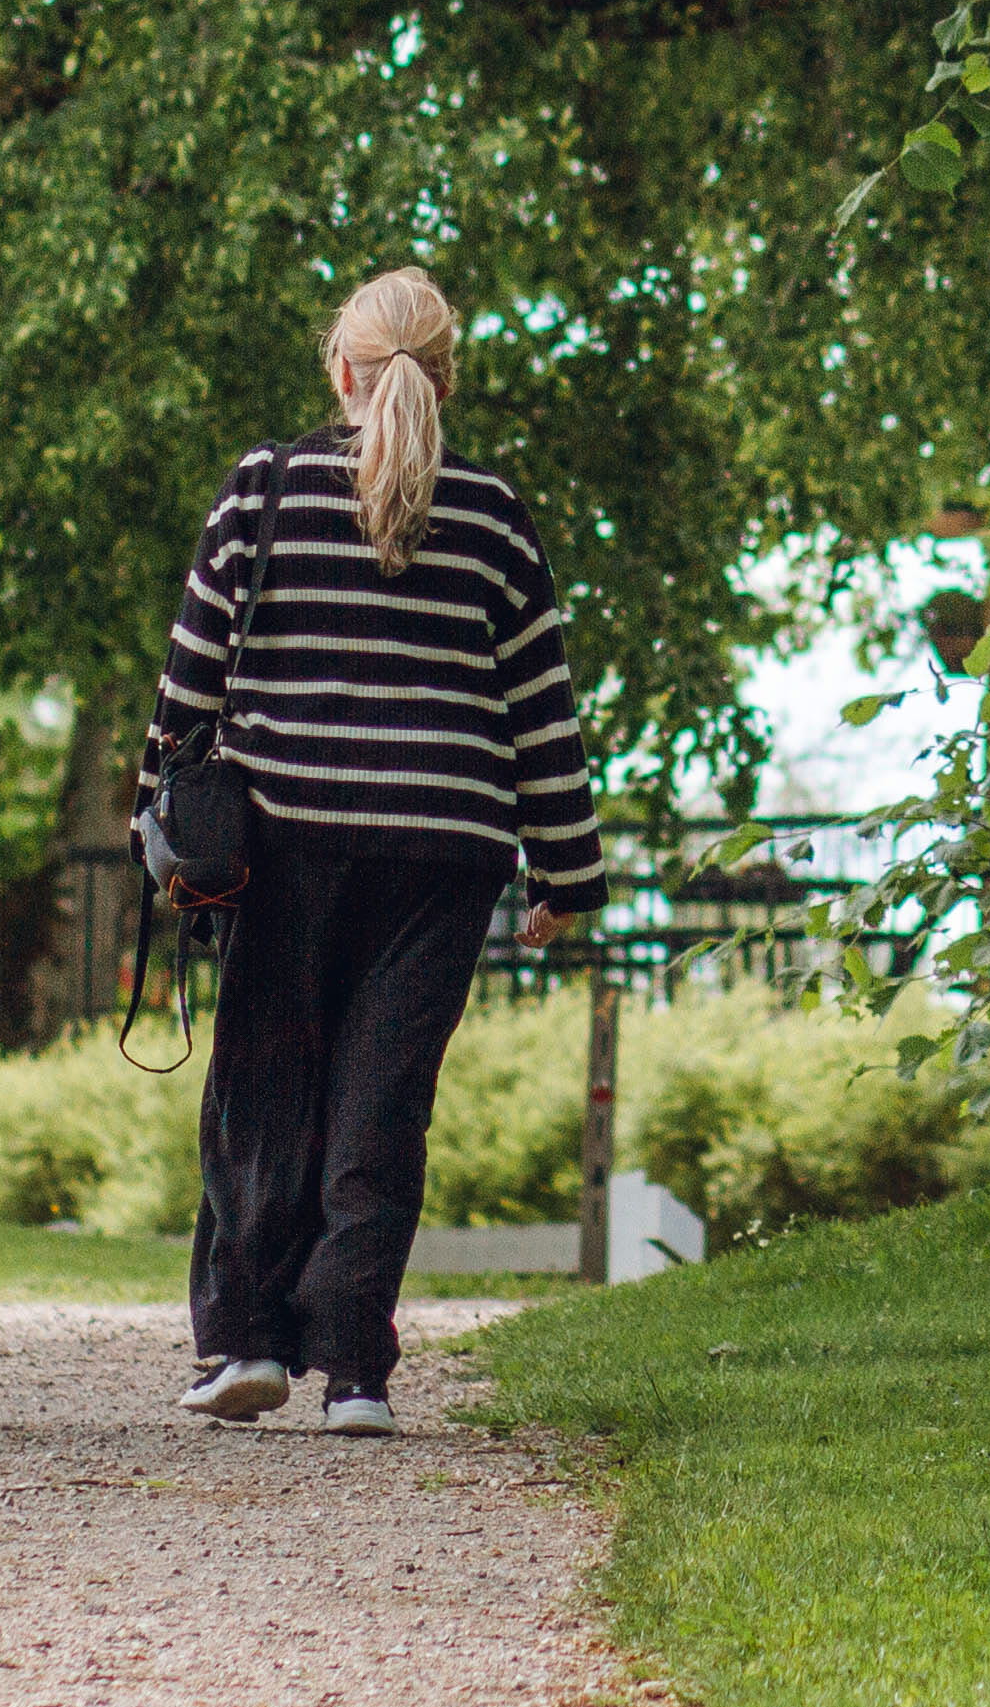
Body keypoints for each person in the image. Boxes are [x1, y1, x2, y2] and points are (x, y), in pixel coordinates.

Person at [158, 264, 606, 1435]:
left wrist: (165, 805)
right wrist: (568, 869)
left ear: (340, 370)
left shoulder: (267, 487)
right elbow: (540, 709)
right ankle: (356, 1367)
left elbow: (194, 668)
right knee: (381, 1100)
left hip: (287, 836)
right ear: (445, 376)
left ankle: (248, 1341)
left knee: (265, 1084)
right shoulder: (496, 517)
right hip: (444, 849)